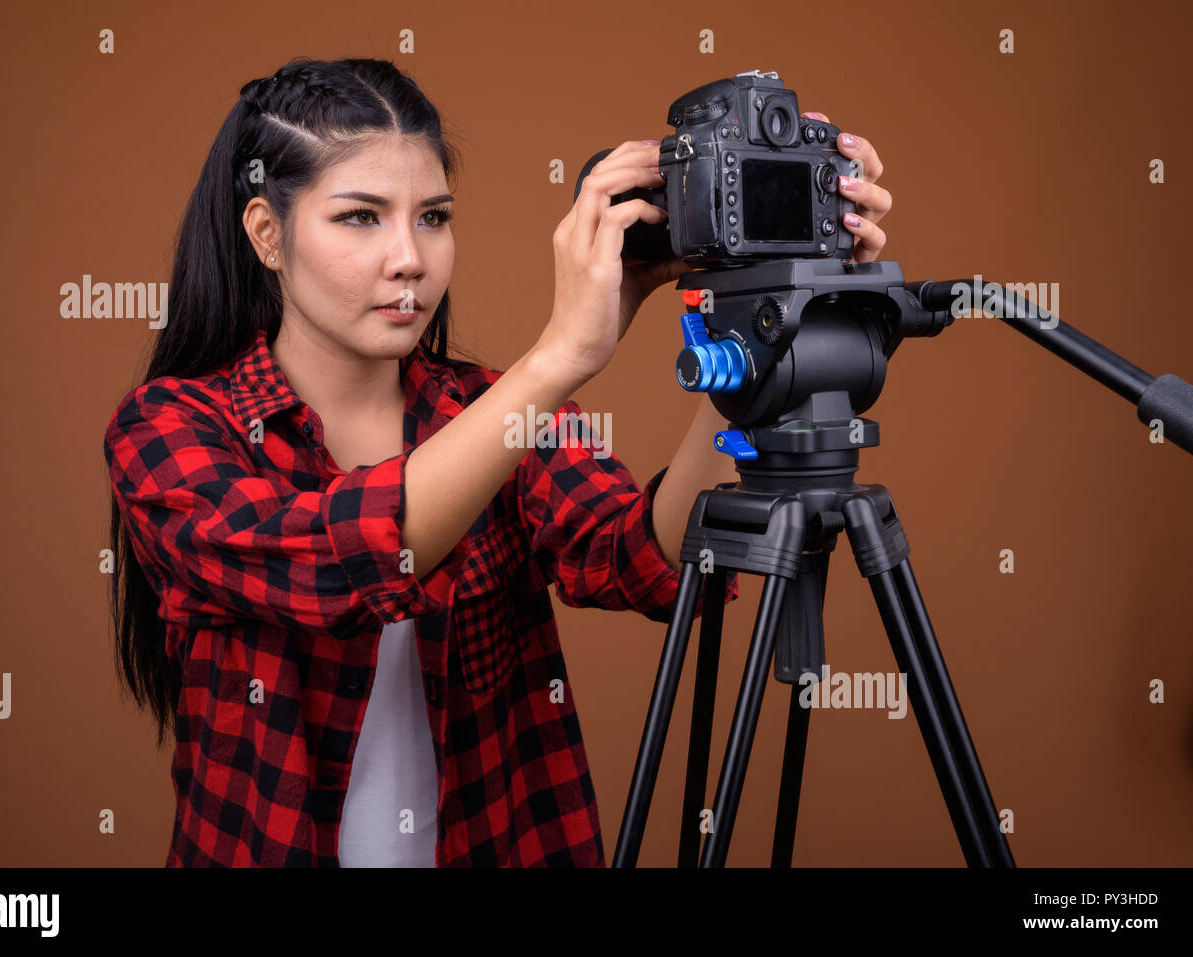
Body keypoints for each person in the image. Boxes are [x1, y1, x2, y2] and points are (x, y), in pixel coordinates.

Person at [103, 56, 891, 867]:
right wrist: (557, 360)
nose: (409, 259)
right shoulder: (170, 428)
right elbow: (336, 561)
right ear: (267, 232)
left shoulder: (493, 411)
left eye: (434, 217)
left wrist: (763, 334)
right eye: (361, 217)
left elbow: (649, 559)